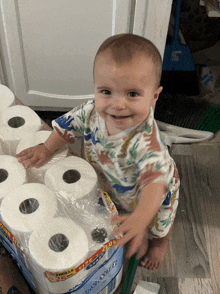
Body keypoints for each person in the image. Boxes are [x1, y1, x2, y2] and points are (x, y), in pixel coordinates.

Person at [16, 33, 180, 270]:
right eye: (106, 91)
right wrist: (46, 147)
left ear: (154, 96)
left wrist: (140, 220)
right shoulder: (92, 111)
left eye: (132, 94)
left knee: (160, 222)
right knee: (110, 203)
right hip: (111, 179)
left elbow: (154, 185)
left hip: (152, 193)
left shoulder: (147, 141)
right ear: (95, 88)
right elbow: (68, 126)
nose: (117, 104)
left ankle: (162, 242)